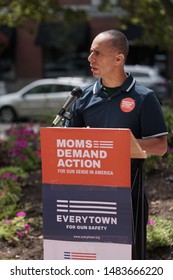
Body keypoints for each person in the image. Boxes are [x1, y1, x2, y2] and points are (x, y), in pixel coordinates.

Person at [65, 30, 168, 259]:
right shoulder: (83, 98)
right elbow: (70, 143)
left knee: (129, 262)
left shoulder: (144, 97)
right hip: (89, 197)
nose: (90, 58)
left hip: (129, 198)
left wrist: (117, 143)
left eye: (97, 53)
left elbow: (160, 146)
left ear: (118, 58)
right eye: (91, 52)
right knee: (92, 262)